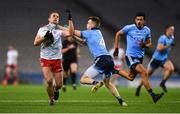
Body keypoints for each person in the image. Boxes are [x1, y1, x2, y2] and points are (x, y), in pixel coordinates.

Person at [73, 16, 127, 106]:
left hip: (101, 60)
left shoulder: (90, 32)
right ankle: (121, 101)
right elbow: (84, 42)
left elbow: (71, 31)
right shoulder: (97, 32)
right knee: (108, 83)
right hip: (109, 60)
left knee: (83, 80)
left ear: (92, 24)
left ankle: (97, 83)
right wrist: (73, 36)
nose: (86, 24)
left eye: (88, 22)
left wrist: (60, 27)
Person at [113, 12, 164, 103]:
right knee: (144, 73)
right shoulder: (129, 28)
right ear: (135, 20)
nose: (139, 21)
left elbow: (149, 44)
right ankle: (153, 95)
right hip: (130, 56)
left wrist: (144, 45)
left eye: (141, 19)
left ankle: (114, 70)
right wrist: (116, 48)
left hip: (140, 57)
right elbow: (118, 34)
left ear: (144, 21)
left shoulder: (147, 30)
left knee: (131, 77)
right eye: (137, 19)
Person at [33, 10, 73, 105]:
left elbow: (70, 33)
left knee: (59, 85)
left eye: (57, 17)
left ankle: (55, 90)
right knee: (49, 80)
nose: (56, 17)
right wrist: (44, 38)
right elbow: (35, 43)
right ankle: (51, 99)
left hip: (57, 59)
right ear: (49, 19)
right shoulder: (42, 29)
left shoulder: (59, 31)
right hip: (45, 59)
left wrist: (70, 19)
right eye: (54, 16)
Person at [135, 25, 175, 96]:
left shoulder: (172, 37)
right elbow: (159, 48)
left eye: (173, 30)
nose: (172, 31)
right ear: (167, 30)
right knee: (147, 75)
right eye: (171, 29)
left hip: (164, 59)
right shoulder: (162, 38)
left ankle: (162, 82)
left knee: (171, 68)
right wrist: (169, 45)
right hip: (156, 59)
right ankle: (138, 87)